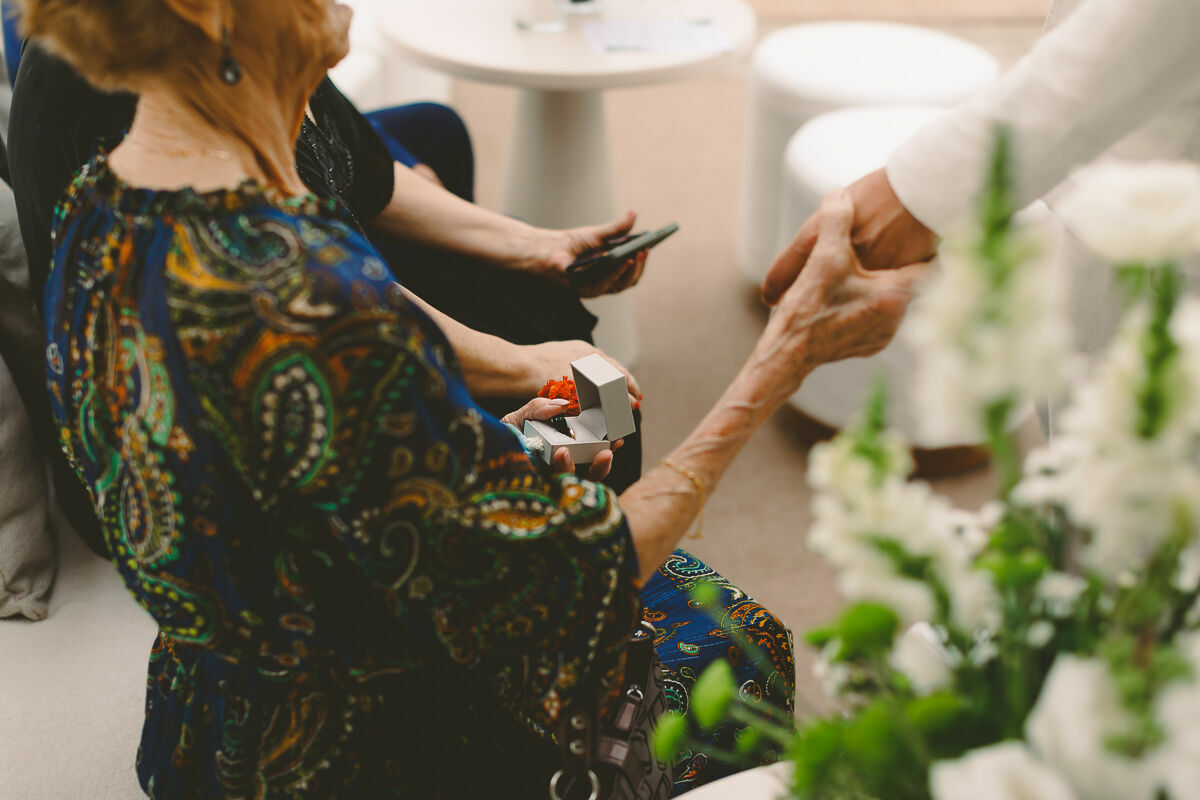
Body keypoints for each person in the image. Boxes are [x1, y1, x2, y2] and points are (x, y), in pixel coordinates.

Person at [24, 0, 927, 795]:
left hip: (209, 726)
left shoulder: (98, 213)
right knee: (745, 642)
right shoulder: (313, 297)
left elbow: (262, 480)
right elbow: (589, 584)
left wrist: (479, 446)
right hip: (368, 757)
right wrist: (784, 356)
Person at [8, 41, 648, 554]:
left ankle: (588, 582)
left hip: (302, 336)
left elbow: (362, 172)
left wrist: (539, 247)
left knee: (558, 335)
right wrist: (521, 369)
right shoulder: (158, 125)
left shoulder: (265, 33)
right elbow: (310, 301)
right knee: (597, 408)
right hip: (201, 446)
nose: (347, 14)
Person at [765, 0, 1200, 430]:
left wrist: (919, 192)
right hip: (1124, 179)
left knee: (1118, 448)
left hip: (1161, 205)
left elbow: (1160, 22)